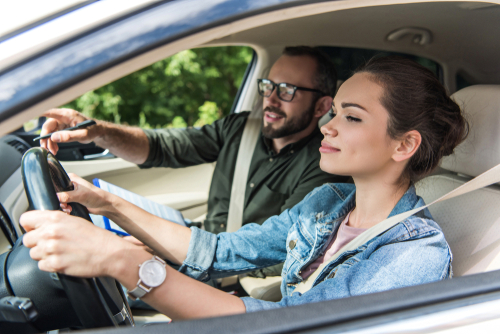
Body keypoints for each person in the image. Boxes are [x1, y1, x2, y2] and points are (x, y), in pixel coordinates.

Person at [21, 56, 468, 319]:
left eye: (351, 117)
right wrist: (108, 204)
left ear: (404, 144)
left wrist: (124, 262)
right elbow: (217, 251)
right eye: (335, 114)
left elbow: (284, 326)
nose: (328, 127)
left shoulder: (413, 257)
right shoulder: (328, 205)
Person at [40, 46, 348, 278]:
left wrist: (171, 257)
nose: (271, 99)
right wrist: (97, 131)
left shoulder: (324, 166)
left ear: (322, 105)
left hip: (233, 276)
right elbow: (162, 147)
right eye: (268, 86)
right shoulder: (240, 128)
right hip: (200, 246)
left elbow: (281, 252)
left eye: (287, 91)